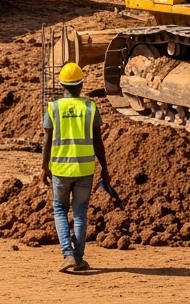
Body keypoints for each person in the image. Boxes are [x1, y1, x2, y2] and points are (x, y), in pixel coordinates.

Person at [42, 62, 109, 274]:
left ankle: (68, 255)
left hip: (61, 170)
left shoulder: (53, 107)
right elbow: (98, 141)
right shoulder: (90, 107)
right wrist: (105, 168)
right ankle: (78, 258)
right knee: (80, 213)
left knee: (60, 209)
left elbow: (47, 140)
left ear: (61, 84)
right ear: (81, 85)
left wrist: (44, 167)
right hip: (84, 169)